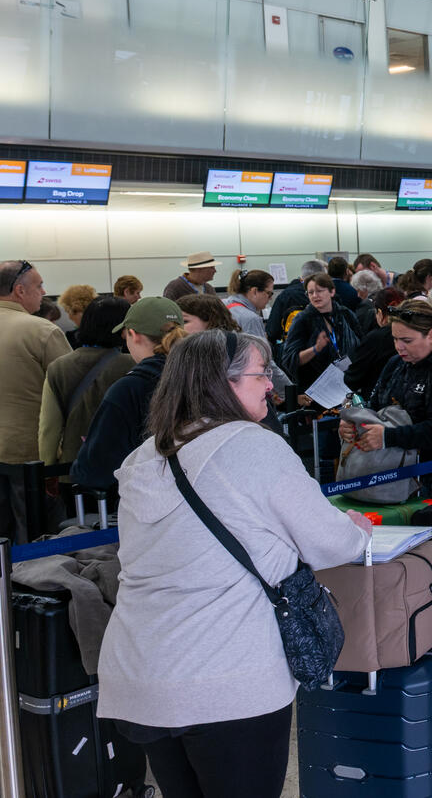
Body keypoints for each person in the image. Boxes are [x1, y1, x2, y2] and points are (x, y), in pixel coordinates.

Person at [97, 329, 372, 797]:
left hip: (141, 674)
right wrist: (354, 527)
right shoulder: (252, 445)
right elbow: (332, 544)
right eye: (260, 374)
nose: (271, 385)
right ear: (220, 383)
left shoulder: (145, 457)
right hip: (226, 675)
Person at [71, 298, 188, 492]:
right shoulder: (204, 377)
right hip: (207, 504)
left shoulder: (129, 388)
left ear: (133, 335)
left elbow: (96, 470)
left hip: (149, 505)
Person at [0, 260, 70, 538]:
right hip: (29, 456)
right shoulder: (43, 331)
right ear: (19, 290)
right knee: (37, 537)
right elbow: (69, 393)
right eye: (39, 285)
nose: (44, 291)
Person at [339, 300, 432, 461]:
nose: (399, 347)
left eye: (407, 341)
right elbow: (373, 406)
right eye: (395, 339)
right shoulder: (395, 363)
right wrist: (353, 424)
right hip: (391, 467)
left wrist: (389, 436)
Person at [39, 295, 134, 467]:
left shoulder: (58, 367)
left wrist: (48, 467)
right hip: (124, 464)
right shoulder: (134, 364)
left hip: (74, 465)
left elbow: (49, 427)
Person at [281, 273, 360, 405]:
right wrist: (315, 349)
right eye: (310, 292)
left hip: (347, 385)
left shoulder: (345, 314)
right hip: (316, 390)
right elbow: (289, 359)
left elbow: (360, 345)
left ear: (332, 291)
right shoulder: (303, 319)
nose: (315, 296)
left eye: (319, 291)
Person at [264, 259, 325, 346]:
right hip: (322, 346)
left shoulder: (286, 296)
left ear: (301, 277)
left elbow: (272, 331)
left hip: (293, 348)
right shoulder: (328, 295)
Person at [223, 270, 275, 340]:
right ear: (254, 291)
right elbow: (259, 350)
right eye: (269, 293)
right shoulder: (251, 319)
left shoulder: (222, 304)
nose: (271, 298)